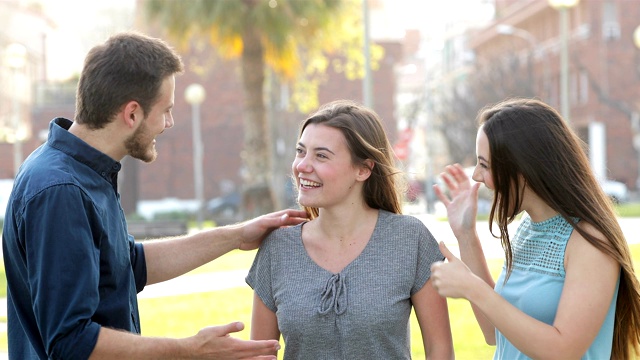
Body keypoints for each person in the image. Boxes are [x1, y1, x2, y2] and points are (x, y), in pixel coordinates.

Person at [1, 31, 308, 360]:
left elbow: (128, 266)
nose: (170, 122)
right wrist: (188, 350)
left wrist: (236, 236)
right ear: (132, 114)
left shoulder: (81, 169)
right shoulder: (60, 190)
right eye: (166, 110)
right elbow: (70, 342)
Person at [430, 98, 640, 359]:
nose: (476, 175)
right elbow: (494, 332)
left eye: (484, 164)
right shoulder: (527, 229)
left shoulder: (591, 242)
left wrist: (473, 288)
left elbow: (563, 350)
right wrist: (466, 234)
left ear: (522, 167)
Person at [246, 100, 454, 359]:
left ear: (363, 169)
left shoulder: (409, 238)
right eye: (301, 152)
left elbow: (439, 350)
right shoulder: (277, 247)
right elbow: (259, 354)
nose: (302, 166)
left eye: (321, 155)